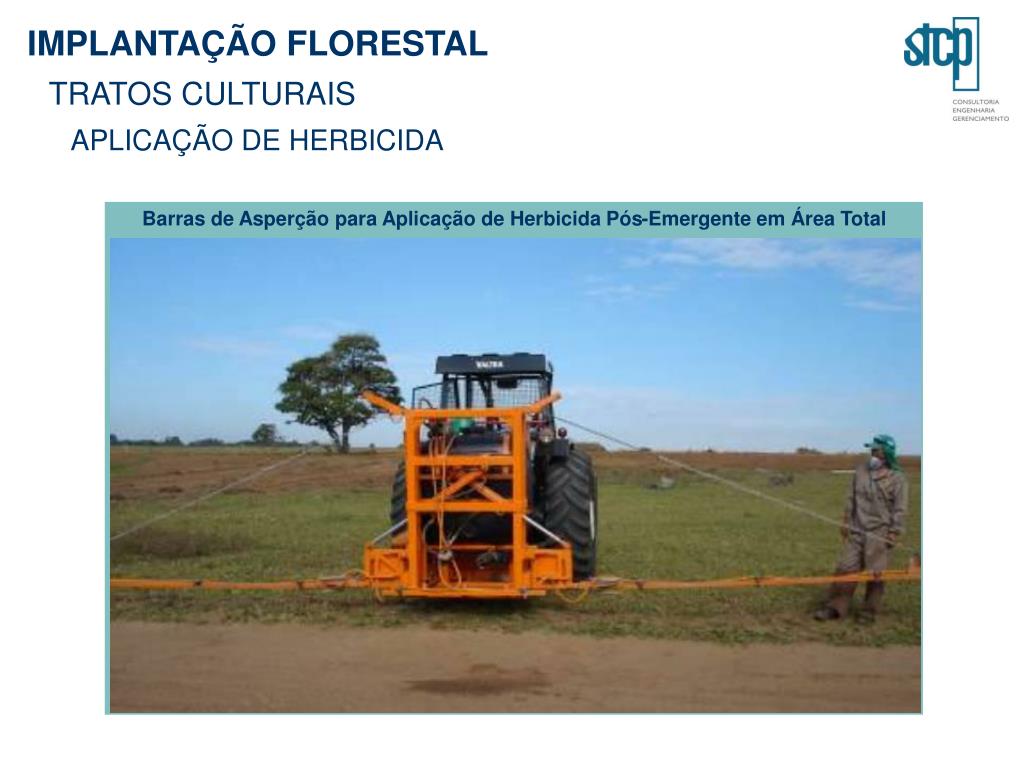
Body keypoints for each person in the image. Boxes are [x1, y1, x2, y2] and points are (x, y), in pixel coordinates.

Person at [814, 434, 909, 624]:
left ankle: (869, 611)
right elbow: (851, 498)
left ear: (887, 453)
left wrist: (894, 531)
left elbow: (900, 508)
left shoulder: (897, 479)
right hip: (857, 528)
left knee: (876, 573)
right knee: (845, 567)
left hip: (880, 532)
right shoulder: (861, 471)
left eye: (877, 450)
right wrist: (846, 521)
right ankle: (835, 607)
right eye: (871, 450)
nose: (873, 454)